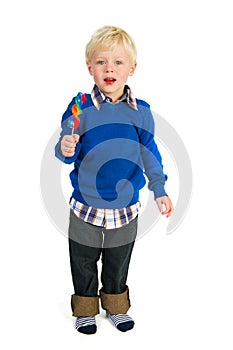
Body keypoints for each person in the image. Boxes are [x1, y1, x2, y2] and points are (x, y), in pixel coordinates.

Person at [55, 25, 174, 335]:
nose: (109, 68)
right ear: (90, 67)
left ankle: (116, 306)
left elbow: (149, 153)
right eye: (101, 62)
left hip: (125, 207)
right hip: (85, 205)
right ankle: (84, 308)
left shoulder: (141, 112)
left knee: (117, 260)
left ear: (131, 68)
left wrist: (159, 188)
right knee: (82, 259)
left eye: (118, 62)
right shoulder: (80, 106)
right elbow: (65, 148)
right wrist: (66, 146)